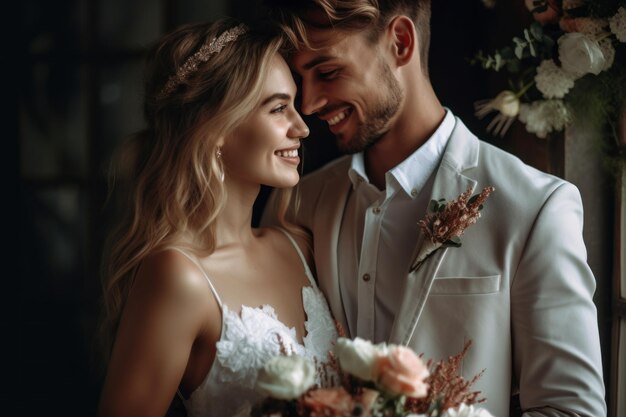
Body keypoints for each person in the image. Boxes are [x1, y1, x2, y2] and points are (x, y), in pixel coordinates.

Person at [260, 1, 606, 416]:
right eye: (302, 78)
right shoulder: (297, 202)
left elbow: (570, 409)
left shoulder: (535, 208)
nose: (311, 103)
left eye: (328, 72)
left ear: (401, 43)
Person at [96, 17, 338, 417]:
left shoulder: (297, 246)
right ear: (216, 129)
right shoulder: (178, 275)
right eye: (279, 108)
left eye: (293, 105)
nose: (302, 127)